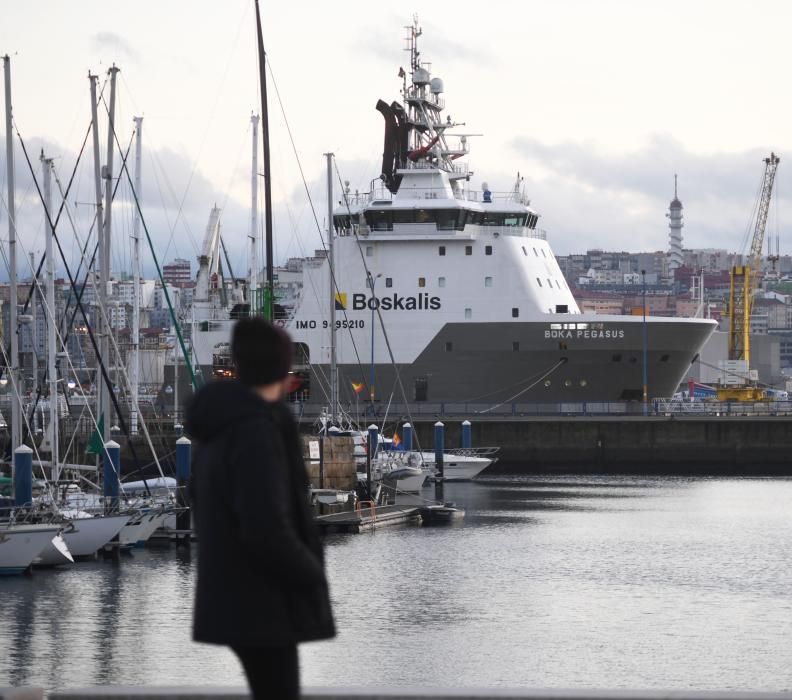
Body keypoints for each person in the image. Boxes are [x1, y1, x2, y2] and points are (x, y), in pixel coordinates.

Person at [185, 318, 335, 700]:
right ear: (282, 371)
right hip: (263, 602)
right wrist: (312, 573)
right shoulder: (255, 432)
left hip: (233, 594)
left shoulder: (216, 429)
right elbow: (265, 527)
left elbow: (199, 500)